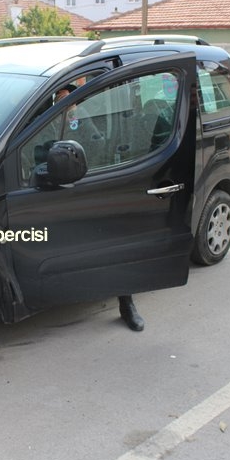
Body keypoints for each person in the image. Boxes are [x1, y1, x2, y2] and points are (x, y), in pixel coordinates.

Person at [55, 84, 144, 332]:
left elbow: (97, 146)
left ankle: (127, 304)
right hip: (58, 189)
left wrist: (76, 118)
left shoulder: (83, 120)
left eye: (68, 100)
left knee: (114, 244)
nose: (64, 105)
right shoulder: (51, 122)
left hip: (90, 184)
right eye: (58, 99)